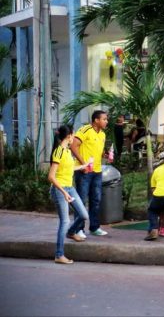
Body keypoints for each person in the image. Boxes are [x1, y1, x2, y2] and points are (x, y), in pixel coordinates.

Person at [48, 125, 90, 264]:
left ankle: (71, 233)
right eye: (73, 135)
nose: (74, 137)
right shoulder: (58, 151)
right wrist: (64, 192)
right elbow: (51, 177)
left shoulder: (67, 151)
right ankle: (59, 255)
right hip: (60, 190)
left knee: (84, 215)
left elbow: (69, 168)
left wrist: (84, 166)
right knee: (64, 221)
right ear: (69, 136)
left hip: (69, 188)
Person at [70, 110, 109, 238]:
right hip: (84, 172)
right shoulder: (85, 130)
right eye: (104, 119)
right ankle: (78, 229)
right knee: (81, 200)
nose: (106, 121)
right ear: (96, 120)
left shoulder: (102, 134)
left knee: (96, 200)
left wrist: (106, 155)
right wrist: (83, 164)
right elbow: (74, 146)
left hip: (97, 171)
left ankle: (94, 227)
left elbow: (97, 151)